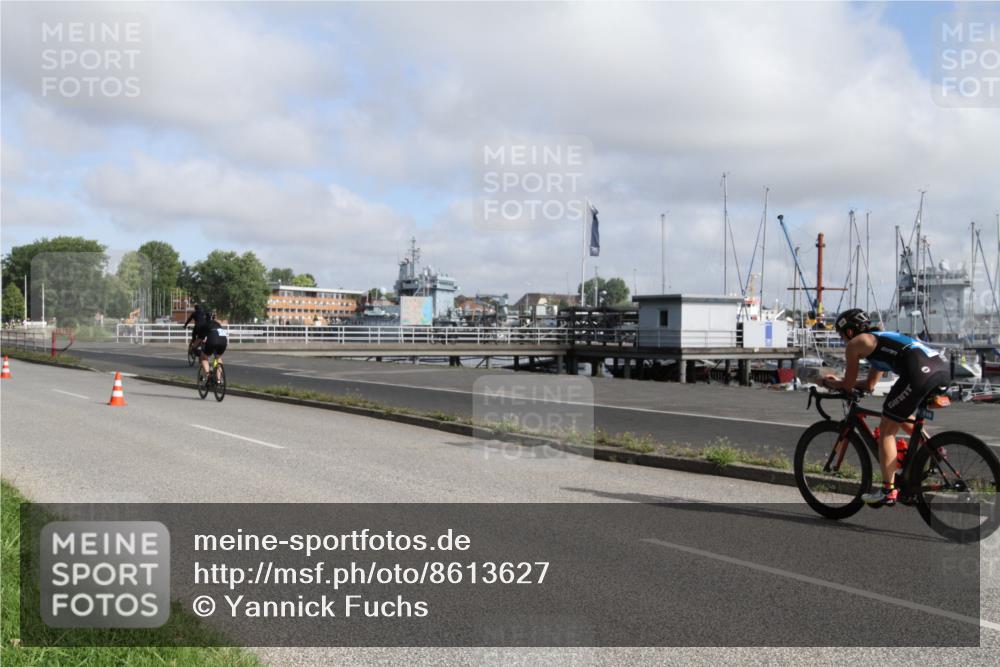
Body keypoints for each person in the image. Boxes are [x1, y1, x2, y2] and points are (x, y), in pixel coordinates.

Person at [822, 309, 950, 507]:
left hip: (919, 374)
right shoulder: (880, 340)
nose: (843, 341)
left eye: (841, 336)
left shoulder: (857, 343)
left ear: (848, 332)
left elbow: (847, 385)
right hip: (940, 371)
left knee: (887, 429)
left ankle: (888, 490)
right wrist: (847, 383)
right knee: (898, 413)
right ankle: (933, 449)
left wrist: (829, 382)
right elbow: (870, 385)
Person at [192, 312, 228, 384]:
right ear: (214, 318)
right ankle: (218, 380)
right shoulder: (218, 324)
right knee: (218, 357)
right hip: (223, 340)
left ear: (205, 318)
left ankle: (208, 377)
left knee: (204, 358)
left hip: (213, 339)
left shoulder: (205, 325)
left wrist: (193, 347)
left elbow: (200, 339)